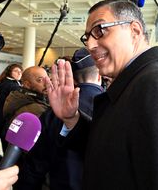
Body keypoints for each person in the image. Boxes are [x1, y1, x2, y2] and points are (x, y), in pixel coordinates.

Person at [45, 0, 158, 189]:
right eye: (87, 37)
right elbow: (113, 152)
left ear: (135, 31)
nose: (90, 44)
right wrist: (72, 119)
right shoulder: (137, 83)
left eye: (100, 30)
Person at [16, 48, 104, 190]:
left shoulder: (52, 113)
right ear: (99, 75)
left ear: (73, 78)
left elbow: (36, 164)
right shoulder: (112, 107)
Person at [2, 66, 48, 150]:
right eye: (40, 80)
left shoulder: (17, 96)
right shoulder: (36, 109)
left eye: (47, 79)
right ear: (27, 84)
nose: (46, 83)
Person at [0, 63, 22, 152]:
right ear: (9, 72)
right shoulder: (12, 86)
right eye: (16, 71)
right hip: (8, 122)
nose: (19, 73)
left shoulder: (6, 83)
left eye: (20, 71)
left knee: (6, 150)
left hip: (2, 121)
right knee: (10, 152)